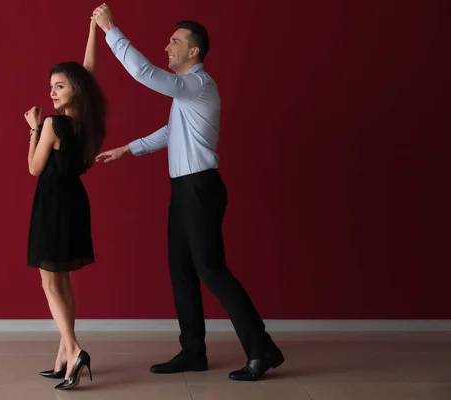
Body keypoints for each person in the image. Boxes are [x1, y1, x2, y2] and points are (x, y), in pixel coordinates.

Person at [91, 4, 284, 381]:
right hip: (184, 189)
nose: (167, 46)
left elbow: (144, 73)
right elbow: (171, 133)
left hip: (200, 188)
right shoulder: (185, 97)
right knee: (181, 270)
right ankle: (193, 352)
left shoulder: (199, 84)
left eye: (175, 41)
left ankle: (262, 351)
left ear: (193, 51)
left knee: (211, 270)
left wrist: (111, 29)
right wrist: (128, 149)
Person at [23, 18, 105, 390]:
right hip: (75, 203)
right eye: (50, 86)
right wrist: (92, 29)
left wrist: (33, 129)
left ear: (74, 89)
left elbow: (33, 168)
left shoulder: (55, 125)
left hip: (52, 204)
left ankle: (73, 351)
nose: (52, 92)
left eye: (59, 86)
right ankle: (62, 357)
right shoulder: (88, 125)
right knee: (64, 280)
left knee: (50, 282)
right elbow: (88, 72)